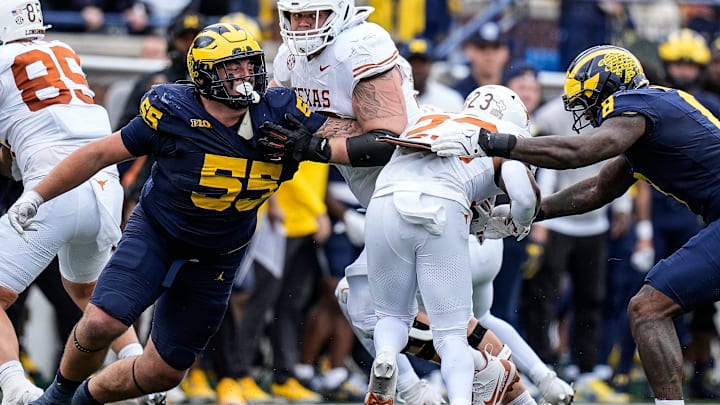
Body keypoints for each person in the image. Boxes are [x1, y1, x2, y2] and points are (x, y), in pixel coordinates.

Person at [11, 22, 377, 405]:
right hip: (158, 233)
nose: (243, 76)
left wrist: (316, 144)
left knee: (164, 372)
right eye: (230, 68)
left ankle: (86, 399)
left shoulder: (282, 112)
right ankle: (57, 397)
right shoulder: (174, 111)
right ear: (203, 75)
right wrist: (37, 194)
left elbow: (360, 134)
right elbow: (100, 153)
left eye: (248, 64)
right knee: (103, 321)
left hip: (219, 252)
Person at [436, 44, 720, 405]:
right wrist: (526, 214)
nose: (584, 110)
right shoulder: (654, 115)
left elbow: (579, 153)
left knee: (648, 309)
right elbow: (598, 189)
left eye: (586, 98)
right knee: (649, 307)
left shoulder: (637, 105)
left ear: (610, 86)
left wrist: (493, 143)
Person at [0, 2, 148, 405]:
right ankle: (140, 373)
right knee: (89, 293)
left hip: (50, 189)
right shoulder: (63, 52)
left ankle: (15, 389)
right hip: (104, 186)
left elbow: (7, 161)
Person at [364, 84, 540, 405]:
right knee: (451, 334)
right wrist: (522, 219)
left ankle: (386, 356)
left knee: (390, 317)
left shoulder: (430, 115)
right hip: (441, 206)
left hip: (383, 200)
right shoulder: (502, 134)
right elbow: (523, 193)